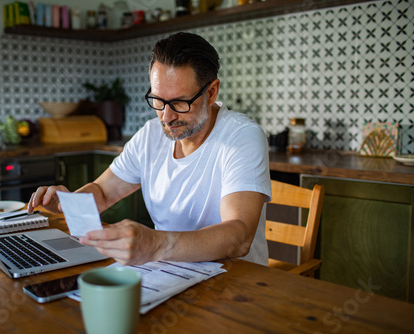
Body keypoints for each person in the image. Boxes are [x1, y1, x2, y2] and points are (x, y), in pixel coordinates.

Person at [28, 32, 271, 266]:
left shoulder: (242, 137)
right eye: (158, 100)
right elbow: (103, 193)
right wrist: (68, 204)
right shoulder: (150, 135)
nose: (166, 116)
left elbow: (239, 237)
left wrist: (156, 244)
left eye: (179, 102)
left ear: (211, 92)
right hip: (166, 273)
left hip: (235, 282)